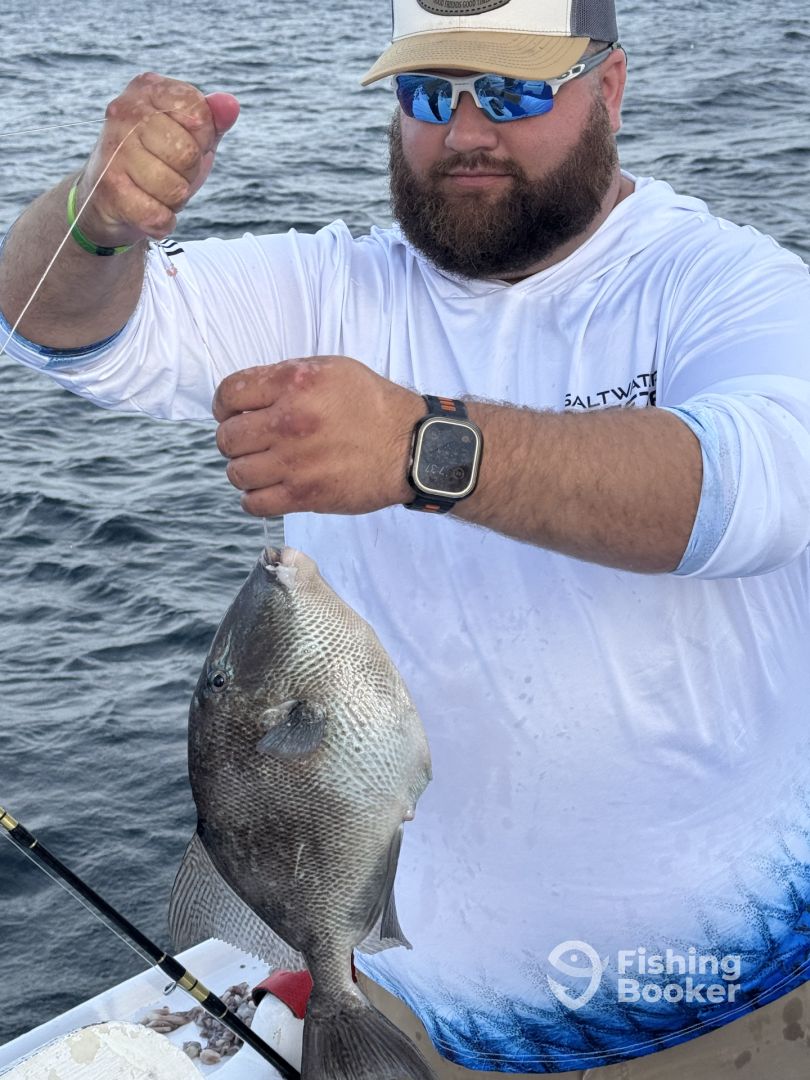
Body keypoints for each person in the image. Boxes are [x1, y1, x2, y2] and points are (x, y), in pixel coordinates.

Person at [1, 0, 810, 1075]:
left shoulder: (722, 283)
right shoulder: (331, 288)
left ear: (609, 90)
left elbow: (762, 488)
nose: (466, 131)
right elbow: (54, 327)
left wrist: (424, 448)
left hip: (725, 1007)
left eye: (514, 91)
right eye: (431, 95)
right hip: (401, 1006)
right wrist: (94, 217)